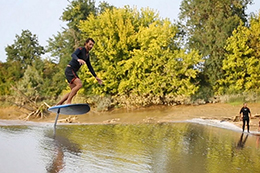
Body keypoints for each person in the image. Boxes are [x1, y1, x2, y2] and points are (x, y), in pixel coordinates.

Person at [56, 38, 103, 105]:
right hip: (70, 69)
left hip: (72, 71)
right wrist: (78, 59)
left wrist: (96, 77)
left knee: (73, 91)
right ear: (86, 43)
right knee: (79, 84)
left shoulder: (87, 55)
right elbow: (73, 55)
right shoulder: (81, 49)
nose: (91, 46)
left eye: (92, 45)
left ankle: (59, 103)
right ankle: (68, 102)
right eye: (90, 44)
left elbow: (90, 67)